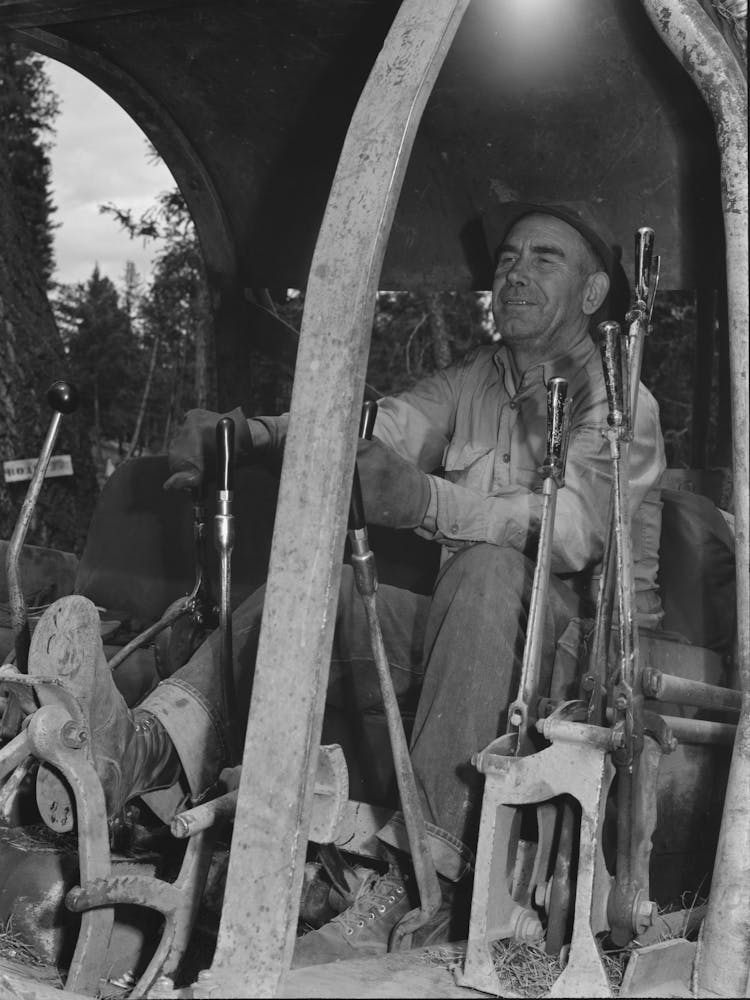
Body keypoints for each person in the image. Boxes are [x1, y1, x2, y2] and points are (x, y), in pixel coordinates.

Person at [28, 202, 666, 966]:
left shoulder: (619, 399)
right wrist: (249, 435)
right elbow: (374, 423)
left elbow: (576, 532)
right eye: (508, 258)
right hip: (471, 641)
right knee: (321, 592)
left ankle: (421, 883)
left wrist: (428, 500)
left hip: (578, 664)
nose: (515, 273)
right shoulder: (474, 380)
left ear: (595, 293)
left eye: (543, 259)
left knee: (491, 567)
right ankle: (132, 753)